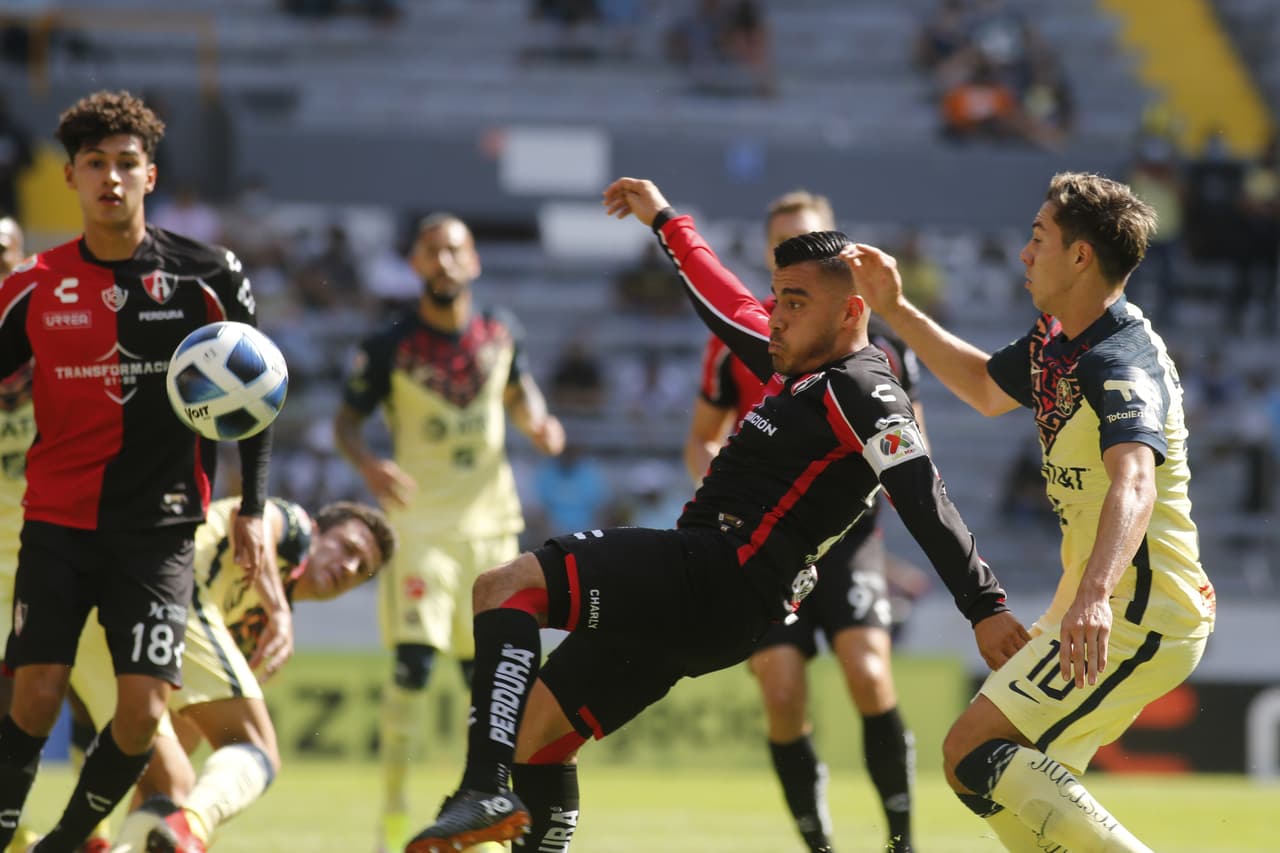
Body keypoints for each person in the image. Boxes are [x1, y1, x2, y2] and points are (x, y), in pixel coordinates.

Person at [403, 177, 1030, 852]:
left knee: (506, 587)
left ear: (851, 311)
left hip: (717, 571)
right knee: (541, 736)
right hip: (713, 604)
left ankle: (482, 786)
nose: (777, 315)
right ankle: (505, 788)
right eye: (778, 297)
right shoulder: (802, 365)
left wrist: (984, 603)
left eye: (795, 301)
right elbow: (724, 300)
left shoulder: (866, 390)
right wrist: (666, 220)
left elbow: (922, 494)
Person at [843, 171, 1216, 852]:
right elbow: (985, 386)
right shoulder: (1058, 340)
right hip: (1104, 597)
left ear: (1080, 257)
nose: (1024, 252)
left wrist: (1096, 596)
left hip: (1140, 607)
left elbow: (1136, 480)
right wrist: (894, 308)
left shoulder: (1119, 359)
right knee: (977, 768)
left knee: (970, 746)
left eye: (1038, 237)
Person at [0, 90, 275, 853]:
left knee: (143, 713)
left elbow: (257, 393)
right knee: (36, 696)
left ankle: (67, 838)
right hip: (56, 522)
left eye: (127, 164)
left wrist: (252, 504)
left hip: (158, 531)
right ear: (71, 178)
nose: (111, 179)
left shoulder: (208, 276)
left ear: (151, 176)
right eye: (96, 164)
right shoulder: (32, 285)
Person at [683, 189, 924, 852]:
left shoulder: (881, 348)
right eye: (779, 247)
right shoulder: (742, 338)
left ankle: (902, 839)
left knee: (868, 670)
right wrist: (732, 498)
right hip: (766, 543)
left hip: (845, 542)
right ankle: (818, 843)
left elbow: (910, 453)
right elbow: (702, 439)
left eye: (809, 239)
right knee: (782, 688)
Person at [332, 213, 565, 853]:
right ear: (414, 264)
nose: (445, 261)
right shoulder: (388, 345)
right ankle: (392, 815)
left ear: (475, 262)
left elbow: (521, 396)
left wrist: (540, 423)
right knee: (411, 669)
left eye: (456, 250)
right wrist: (370, 464)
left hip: (492, 526)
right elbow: (345, 425)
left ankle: (487, 813)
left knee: (489, 681)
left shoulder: (500, 332)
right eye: (432, 251)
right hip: (420, 527)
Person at [69, 496, 396, 853]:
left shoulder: (251, 627)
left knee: (170, 788)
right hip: (167, 582)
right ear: (318, 531)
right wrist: (279, 609)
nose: (349, 567)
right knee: (257, 747)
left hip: (95, 618)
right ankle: (193, 828)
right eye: (347, 547)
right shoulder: (296, 530)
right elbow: (253, 514)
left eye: (362, 567)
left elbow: (184, 731)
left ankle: (137, 839)